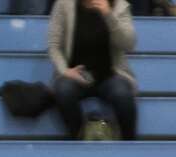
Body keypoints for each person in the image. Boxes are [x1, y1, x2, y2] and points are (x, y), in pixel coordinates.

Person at [48, 0, 138, 141]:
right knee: (63, 90)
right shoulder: (64, 4)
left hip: (110, 75)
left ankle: (129, 145)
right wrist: (64, 70)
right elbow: (54, 46)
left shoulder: (120, 6)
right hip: (76, 75)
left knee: (123, 95)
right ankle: (79, 138)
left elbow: (129, 44)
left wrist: (108, 15)